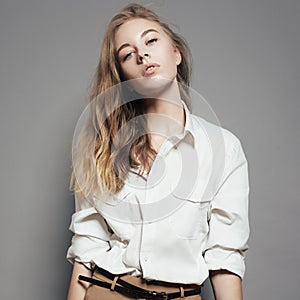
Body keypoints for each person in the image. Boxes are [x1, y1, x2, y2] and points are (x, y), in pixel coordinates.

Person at [66, 3, 250, 300]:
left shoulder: (223, 148)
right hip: (107, 291)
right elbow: (87, 247)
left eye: (151, 40)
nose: (142, 55)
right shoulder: (102, 149)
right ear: (124, 76)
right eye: (127, 54)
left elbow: (225, 258)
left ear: (176, 53)